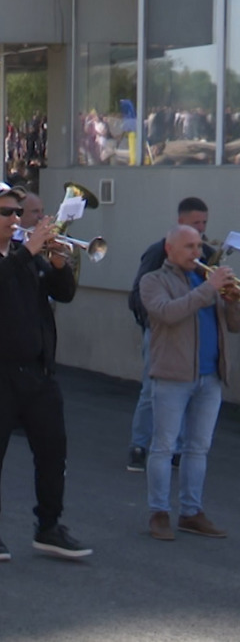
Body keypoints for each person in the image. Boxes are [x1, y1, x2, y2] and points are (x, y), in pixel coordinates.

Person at [0, 182, 91, 562]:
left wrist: (59, 264)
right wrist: (28, 252)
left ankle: (48, 526)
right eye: (6, 212)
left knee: (52, 450)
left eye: (17, 212)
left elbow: (62, 294)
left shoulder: (24, 252)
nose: (15, 219)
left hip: (36, 371)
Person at [140, 225, 239, 541]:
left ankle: (191, 512)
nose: (197, 253)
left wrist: (233, 301)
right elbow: (168, 313)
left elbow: (233, 326)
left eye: (199, 247)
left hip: (210, 377)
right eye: (189, 247)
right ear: (170, 249)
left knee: (198, 448)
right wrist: (209, 289)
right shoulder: (153, 281)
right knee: (164, 447)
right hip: (172, 376)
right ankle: (159, 513)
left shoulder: (206, 281)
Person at [125, 197, 213, 472]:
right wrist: (150, 324)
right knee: (153, 391)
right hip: (161, 331)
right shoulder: (157, 252)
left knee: (188, 394)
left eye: (204, 223)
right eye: (195, 223)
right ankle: (139, 446)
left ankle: (178, 449)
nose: (200, 229)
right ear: (180, 223)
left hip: (191, 335)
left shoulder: (206, 254)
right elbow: (139, 292)